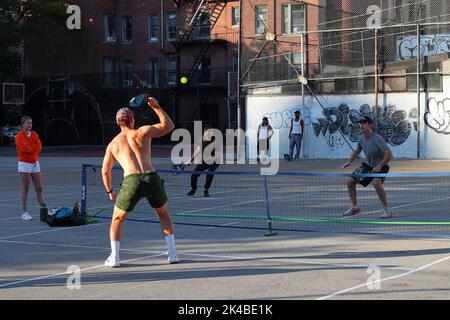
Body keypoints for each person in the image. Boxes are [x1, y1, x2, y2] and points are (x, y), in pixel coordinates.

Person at [101, 97, 179, 268]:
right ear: (132, 120)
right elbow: (169, 126)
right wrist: (156, 107)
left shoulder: (113, 144)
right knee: (163, 215)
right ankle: (172, 254)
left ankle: (114, 258)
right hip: (151, 177)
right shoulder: (142, 132)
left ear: (117, 122)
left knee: (117, 219)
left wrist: (110, 191)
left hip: (131, 180)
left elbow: (105, 171)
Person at [340, 116, 393, 219]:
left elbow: (389, 155)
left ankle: (387, 210)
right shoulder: (361, 138)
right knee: (350, 182)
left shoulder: (377, 138)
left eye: (364, 123)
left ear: (370, 125)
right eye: (360, 123)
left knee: (376, 183)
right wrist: (349, 161)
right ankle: (355, 208)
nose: (361, 125)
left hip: (381, 166)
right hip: (369, 166)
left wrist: (379, 165)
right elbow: (358, 150)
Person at [15, 116, 46, 221]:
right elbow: (24, 149)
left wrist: (31, 148)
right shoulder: (19, 136)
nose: (30, 125)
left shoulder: (35, 135)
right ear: (23, 124)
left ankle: (43, 207)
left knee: (39, 187)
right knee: (26, 188)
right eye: (28, 123)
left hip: (34, 162)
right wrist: (32, 148)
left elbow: (39, 147)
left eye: (31, 123)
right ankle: (24, 212)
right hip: (24, 164)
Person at [186, 124, 220, 198]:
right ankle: (193, 189)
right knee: (194, 173)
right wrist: (190, 160)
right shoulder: (201, 139)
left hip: (215, 161)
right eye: (207, 133)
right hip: (204, 160)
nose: (208, 134)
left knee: (210, 172)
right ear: (204, 132)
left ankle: (206, 189)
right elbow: (198, 150)